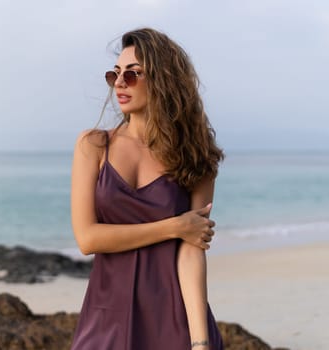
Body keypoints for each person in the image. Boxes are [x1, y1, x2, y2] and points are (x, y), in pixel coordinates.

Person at [70, 28, 225, 350]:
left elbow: (192, 251)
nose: (120, 83)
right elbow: (87, 239)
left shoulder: (196, 157)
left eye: (134, 73)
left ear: (164, 79)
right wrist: (174, 226)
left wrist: (200, 342)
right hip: (105, 316)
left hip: (174, 318)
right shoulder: (94, 145)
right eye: (115, 74)